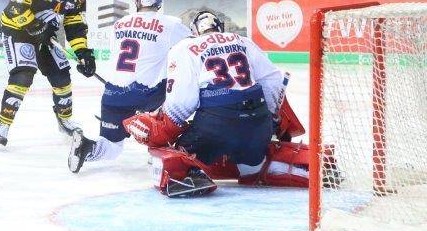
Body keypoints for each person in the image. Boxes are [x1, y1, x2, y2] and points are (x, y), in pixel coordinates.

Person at [123, 11, 310, 197]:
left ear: (194, 31)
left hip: (217, 126)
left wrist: (165, 126)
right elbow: (273, 81)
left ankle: (190, 174)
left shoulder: (186, 47)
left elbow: (182, 103)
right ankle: (293, 167)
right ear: (220, 27)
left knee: (180, 153)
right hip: (258, 125)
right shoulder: (242, 41)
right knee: (252, 162)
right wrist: (269, 119)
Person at [68, 0, 189, 167]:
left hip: (113, 95)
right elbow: (194, 49)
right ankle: (163, 147)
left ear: (137, 0)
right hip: (149, 95)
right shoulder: (171, 24)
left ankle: (86, 147)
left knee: (112, 147)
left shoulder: (119, 24)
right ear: (159, 0)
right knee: (180, 91)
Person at [0, 0, 95, 150]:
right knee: (23, 76)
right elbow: (14, 8)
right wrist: (36, 27)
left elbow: (75, 26)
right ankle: (3, 125)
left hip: (45, 35)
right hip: (18, 30)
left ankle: (65, 120)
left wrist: (83, 53)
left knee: (62, 76)